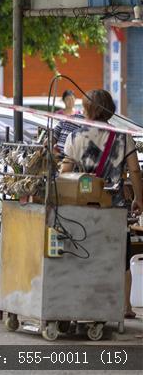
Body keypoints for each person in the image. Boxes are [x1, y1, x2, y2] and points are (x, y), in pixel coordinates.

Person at [61, 88, 142, 319]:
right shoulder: (122, 136)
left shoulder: (75, 137)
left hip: (84, 208)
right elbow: (134, 171)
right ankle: (125, 307)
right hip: (115, 208)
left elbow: (65, 172)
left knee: (86, 252)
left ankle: (86, 301)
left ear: (87, 109)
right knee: (122, 255)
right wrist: (139, 199)